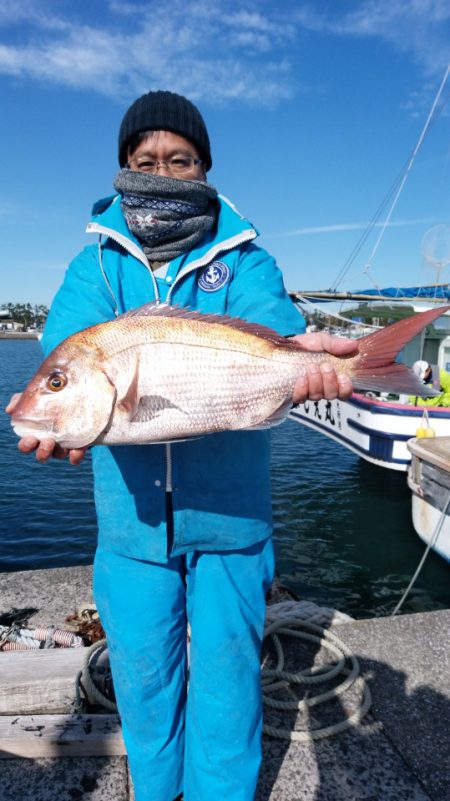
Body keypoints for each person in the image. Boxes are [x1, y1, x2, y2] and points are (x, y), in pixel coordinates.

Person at [6, 90, 356, 801]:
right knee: (144, 677)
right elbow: (64, 351)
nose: (163, 172)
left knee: (228, 679)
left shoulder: (246, 259)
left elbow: (274, 329)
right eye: (146, 160)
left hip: (233, 521)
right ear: (123, 167)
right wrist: (58, 406)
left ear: (204, 166)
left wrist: (309, 360)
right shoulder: (95, 268)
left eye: (180, 159)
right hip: (130, 530)